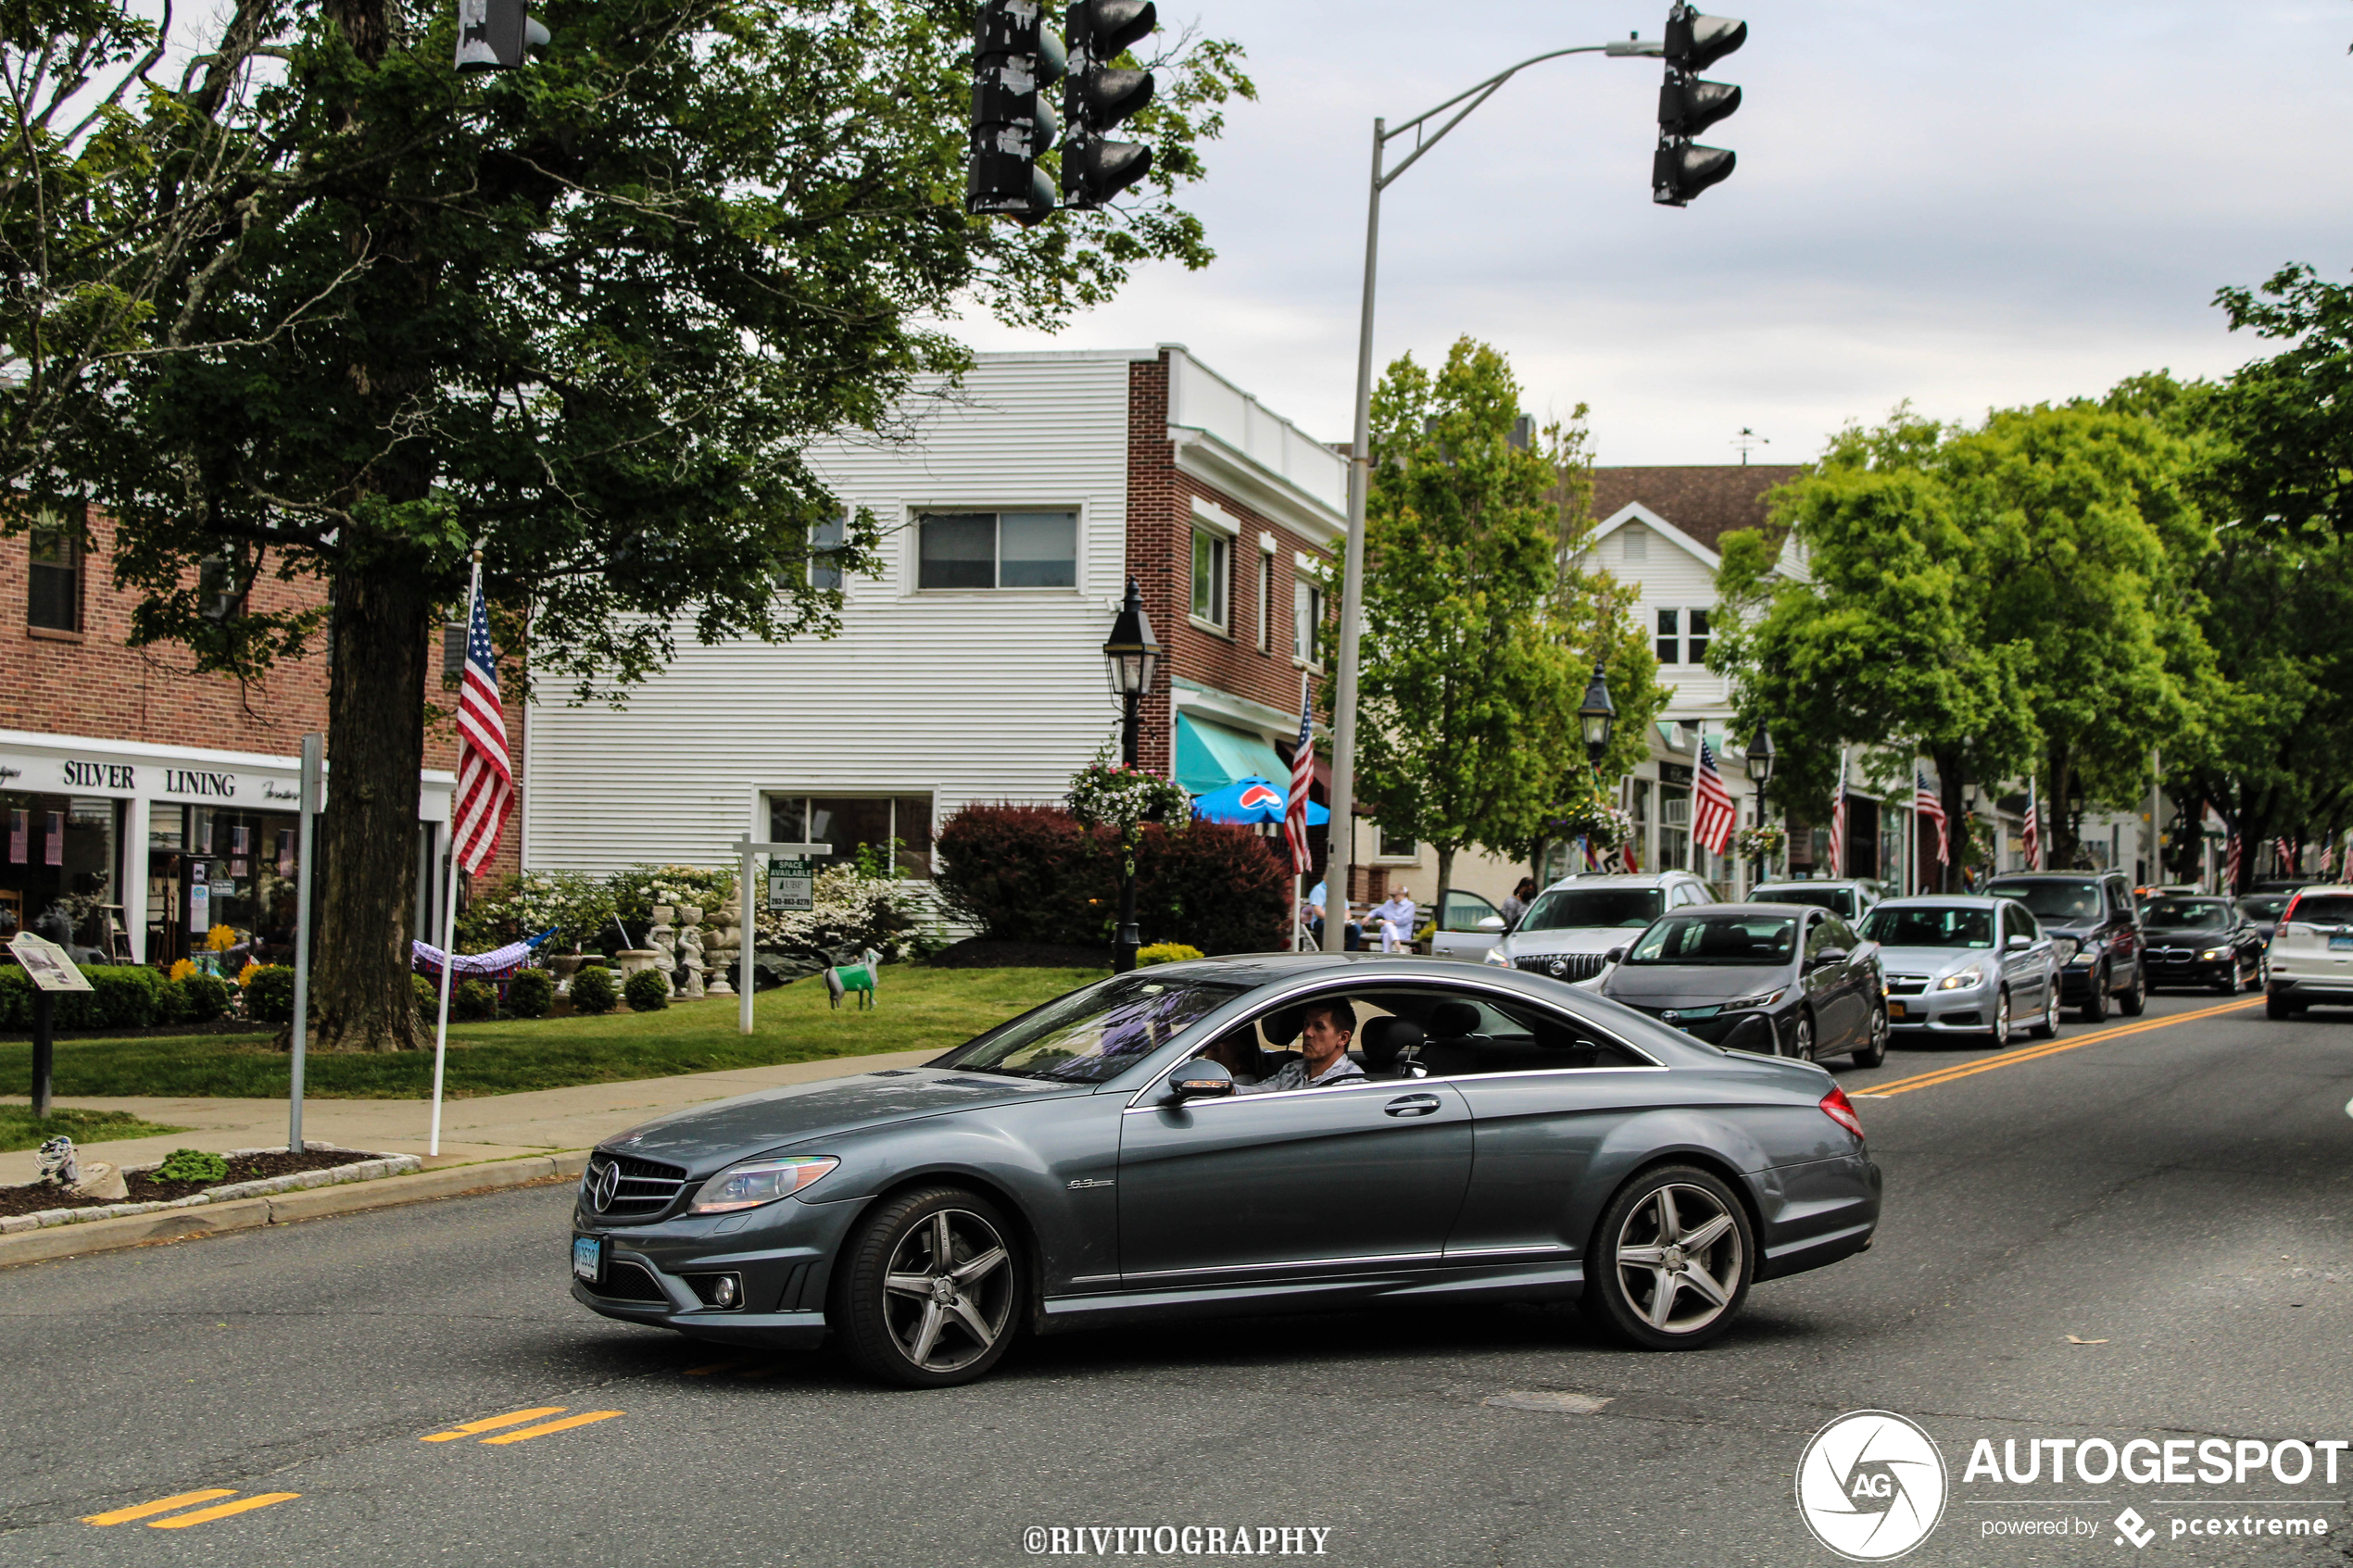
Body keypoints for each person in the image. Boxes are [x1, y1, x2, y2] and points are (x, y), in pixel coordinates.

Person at [1235, 999, 1366, 1094]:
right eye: (1307, 1024)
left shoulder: (1350, 1086)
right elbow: (1258, 1092)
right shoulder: (1294, 1070)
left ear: (1343, 1038)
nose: (1307, 1032)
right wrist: (1230, 1090)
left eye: (1319, 1027)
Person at [1369, 887, 1416, 953]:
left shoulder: (1410, 905)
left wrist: (1386, 922)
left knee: (1387, 932)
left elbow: (1404, 920)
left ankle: (1387, 954)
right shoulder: (1389, 903)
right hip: (1388, 931)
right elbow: (1376, 911)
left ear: (1401, 894)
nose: (1392, 898)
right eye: (1391, 895)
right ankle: (1399, 948)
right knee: (1388, 929)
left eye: (1394, 895)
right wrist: (1368, 917)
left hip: (1402, 933)